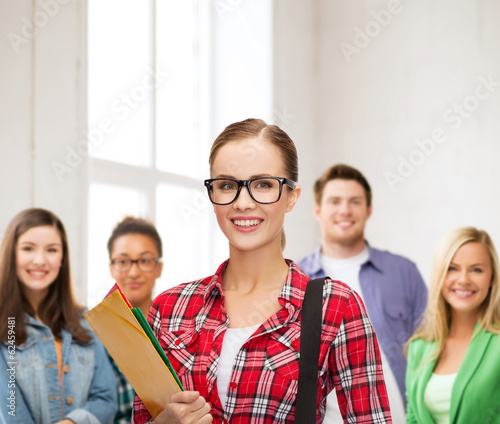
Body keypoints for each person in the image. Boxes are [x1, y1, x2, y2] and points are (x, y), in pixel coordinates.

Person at [133, 119, 392, 423]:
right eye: (228, 185)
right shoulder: (170, 307)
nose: (243, 203)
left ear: (291, 197)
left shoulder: (335, 307)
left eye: (263, 185)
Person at [298, 164, 427, 422]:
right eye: (335, 201)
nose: (345, 210)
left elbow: (432, 348)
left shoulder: (404, 272)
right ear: (318, 210)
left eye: (354, 201)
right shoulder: (294, 279)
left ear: (368, 210)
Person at [0, 208, 117, 424]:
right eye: (28, 248)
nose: (40, 260)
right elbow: (10, 413)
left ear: (62, 257)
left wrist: (72, 422)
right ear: (11, 254)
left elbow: (106, 400)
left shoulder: (86, 323)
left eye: (51, 250)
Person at [405, 227, 500, 423]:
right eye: (452, 268)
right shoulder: (419, 347)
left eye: (476, 270)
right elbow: (413, 417)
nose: (464, 279)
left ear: (491, 278)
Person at [106, 216, 164, 423]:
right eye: (123, 262)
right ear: (112, 267)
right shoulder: (96, 334)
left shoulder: (176, 330)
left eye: (145, 261)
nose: (133, 272)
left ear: (158, 268)